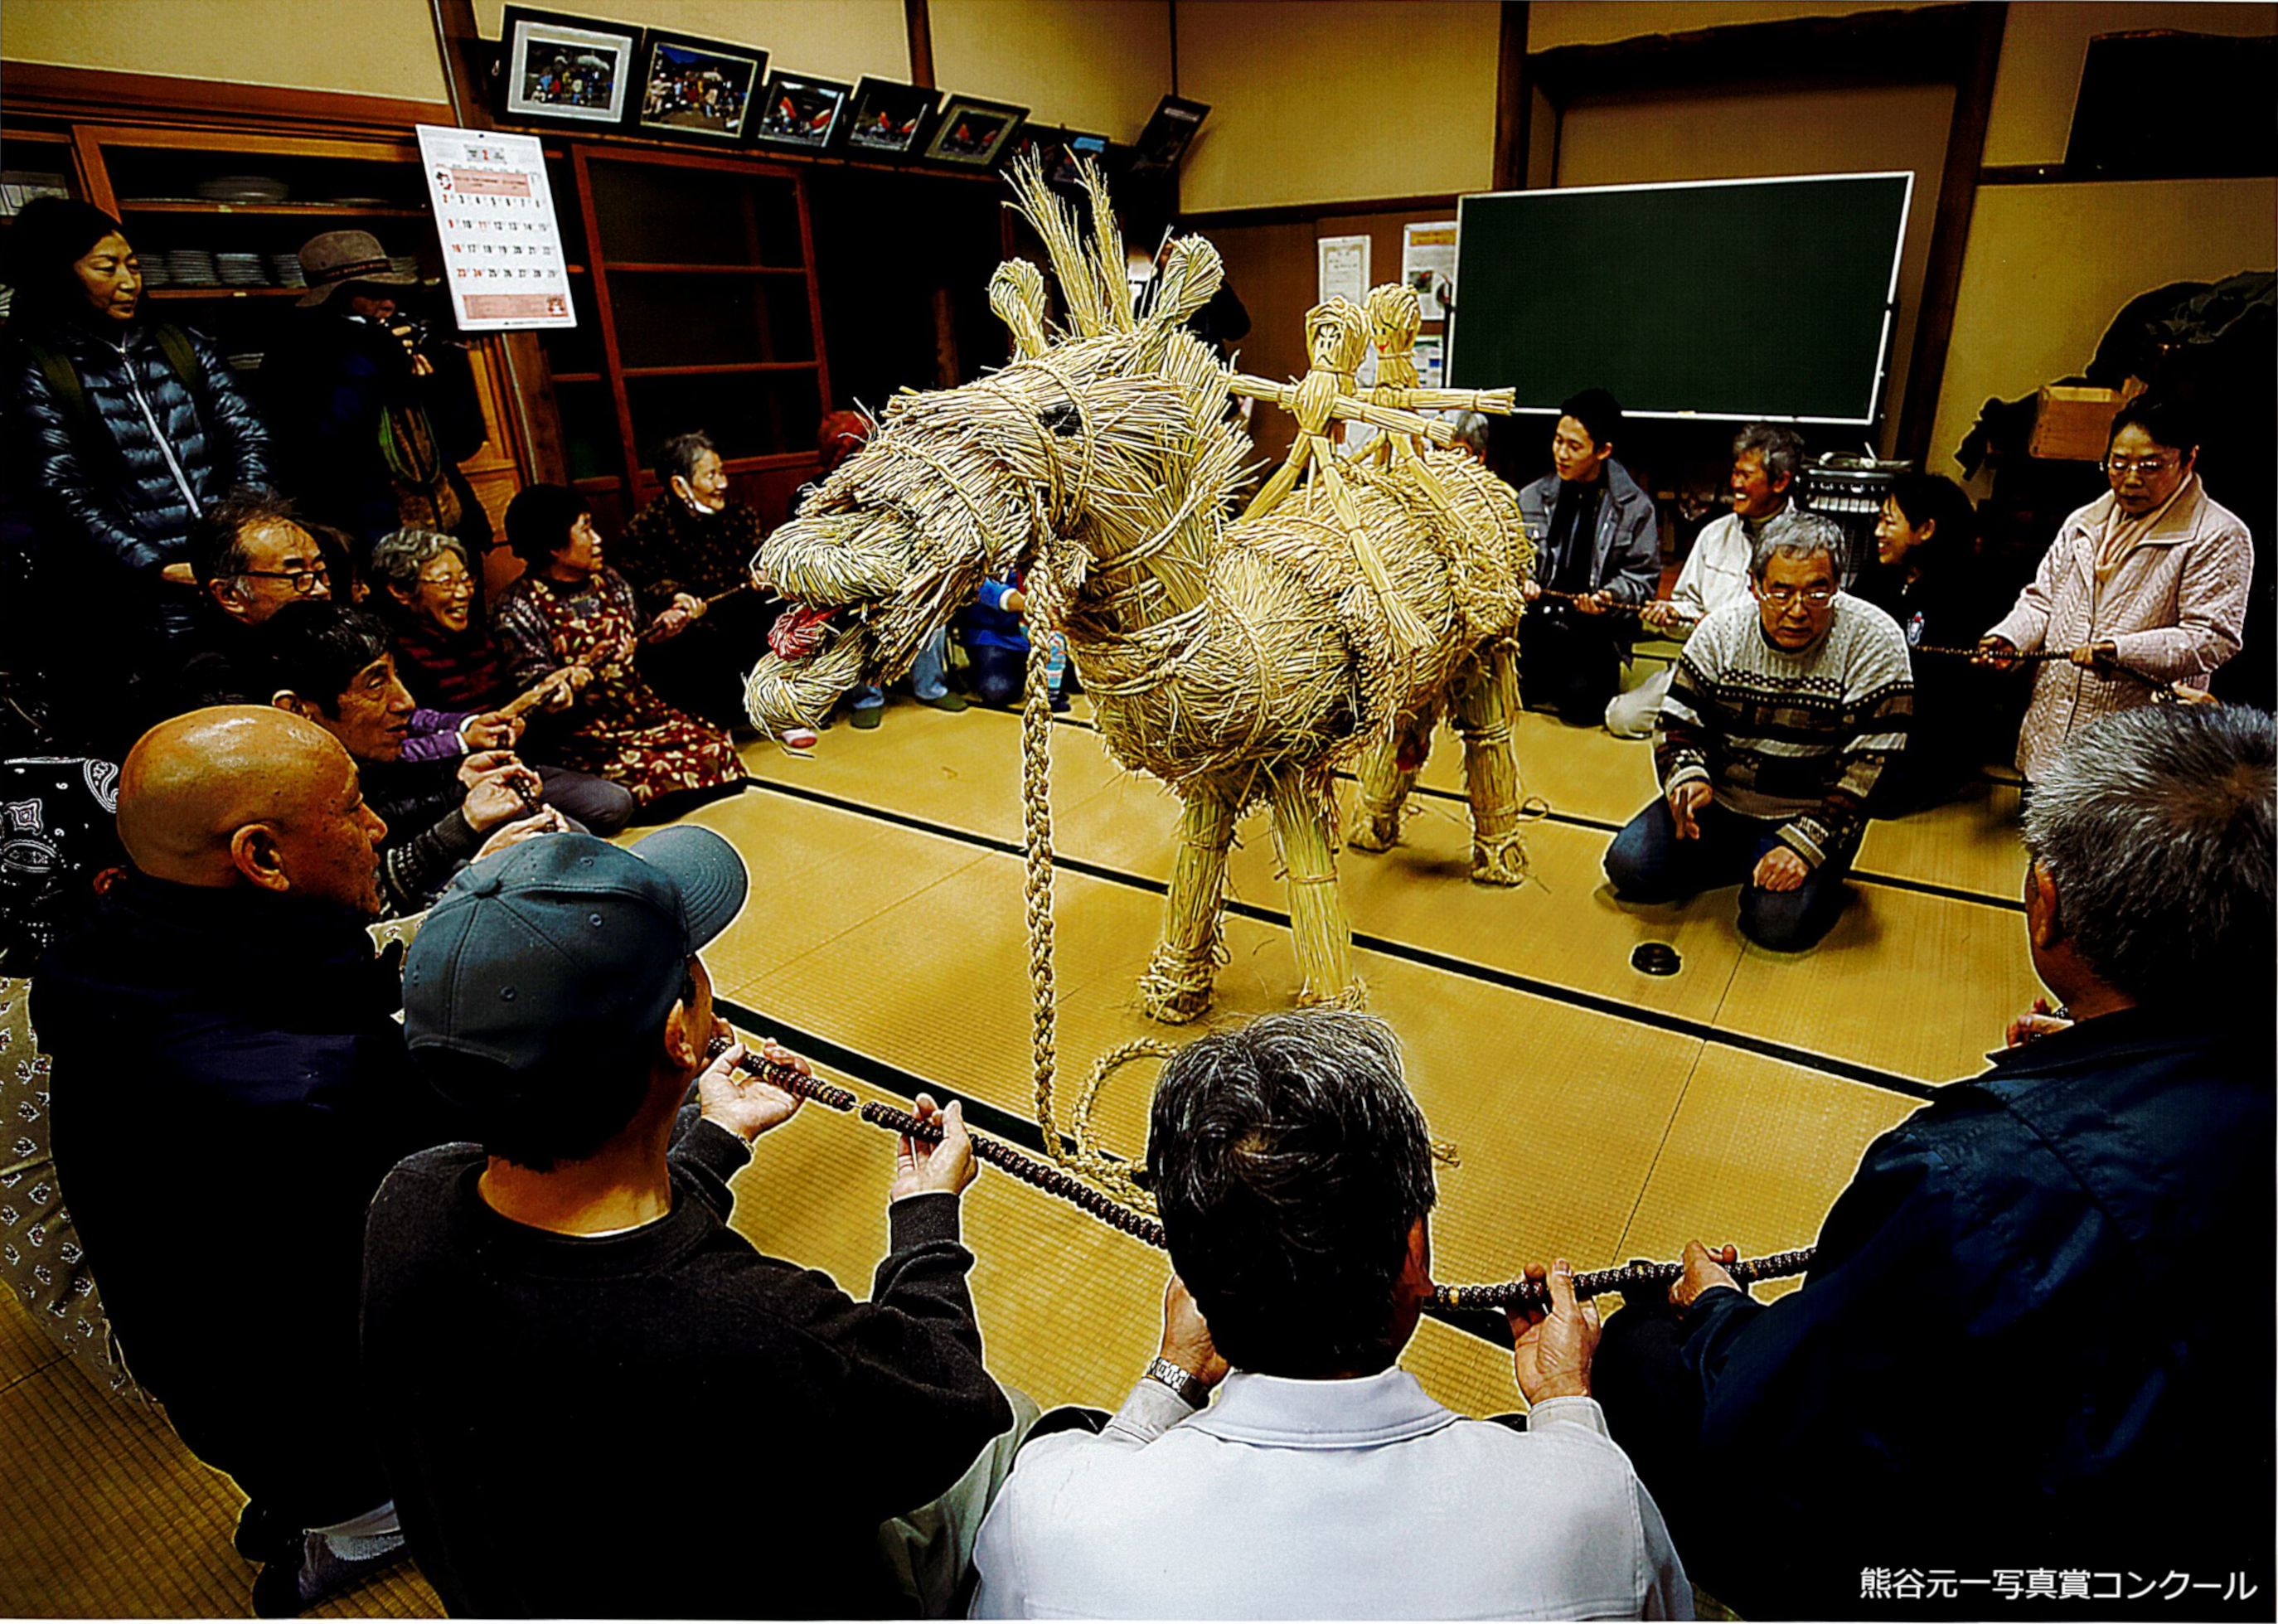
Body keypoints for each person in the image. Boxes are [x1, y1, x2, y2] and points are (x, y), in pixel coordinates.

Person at [1592, 704, 2275, 1619]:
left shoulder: (1968, 1173)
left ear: (2048, 908)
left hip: (1980, 1552)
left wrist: (1713, 1305)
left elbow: (1784, 1409)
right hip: (2198, 1518)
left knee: (1641, 1346)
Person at [363, 828, 1021, 1617]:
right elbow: (951, 1400)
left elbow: (599, 1263)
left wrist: (712, 1138)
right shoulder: (748, 1326)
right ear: (682, 1034)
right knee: (1027, 1433)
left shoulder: (409, 1201)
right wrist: (926, 1220)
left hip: (529, 1577)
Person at [970, 1006, 1687, 1618]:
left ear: (1187, 1274)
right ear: (1415, 1250)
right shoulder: (1592, 1505)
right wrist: (1567, 1410)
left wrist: (1169, 1381)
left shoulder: (1050, 1509)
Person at [32, 708, 471, 1614]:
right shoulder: (297, 1089)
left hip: (218, 1363)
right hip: (309, 1407)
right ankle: (358, 1527)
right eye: (353, 810)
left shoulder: (116, 940)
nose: (379, 827)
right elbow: (470, 1204)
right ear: (262, 859)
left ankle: (319, 1505)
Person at [2, 198, 271, 744]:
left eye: (134, 265)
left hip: (232, 573)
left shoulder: (178, 344)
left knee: (264, 710)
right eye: (106, 267)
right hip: (134, 604)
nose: (128, 281)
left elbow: (247, 433)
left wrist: (241, 526)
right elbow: (59, 488)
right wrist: (156, 566)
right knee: (184, 735)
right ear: (58, 274)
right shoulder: (34, 366)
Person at [1602, 510, 1910, 952]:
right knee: (1629, 868)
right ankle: (1743, 858)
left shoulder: (1875, 640)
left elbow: (1875, 763)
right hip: (1725, 801)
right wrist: (1686, 777)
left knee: (1775, 927)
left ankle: (1789, 865)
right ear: (1755, 585)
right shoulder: (1721, 632)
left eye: (1817, 591)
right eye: (1780, 591)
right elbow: (1676, 724)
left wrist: (1808, 845)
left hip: (1814, 812)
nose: (1797, 610)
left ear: (1838, 585)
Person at [1978, 396, 2252, 781]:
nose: (2131, 479)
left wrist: (2120, 651)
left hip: (2134, 758)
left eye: (2151, 466)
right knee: (2038, 833)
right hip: (2051, 738)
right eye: (2118, 464)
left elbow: (2212, 638)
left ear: (2188, 460)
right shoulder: (2084, 521)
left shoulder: (2218, 534)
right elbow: (2042, 602)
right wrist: (2010, 640)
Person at [258, 601, 561, 913]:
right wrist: (474, 880)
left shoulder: (347, 766)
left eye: (396, 676)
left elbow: (382, 879)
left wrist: (466, 812)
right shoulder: (286, 811)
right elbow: (375, 933)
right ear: (296, 709)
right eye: (376, 685)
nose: (406, 701)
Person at [491, 483, 745, 812]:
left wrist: (662, 629)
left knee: (717, 752)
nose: (597, 539)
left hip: (638, 713)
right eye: (585, 529)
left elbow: (640, 635)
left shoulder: (609, 581)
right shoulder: (516, 607)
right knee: (659, 781)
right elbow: (533, 697)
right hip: (584, 736)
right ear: (554, 546)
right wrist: (578, 675)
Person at [366, 527, 634, 834]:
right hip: (445, 784)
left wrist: (550, 694)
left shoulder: (475, 633)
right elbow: (406, 742)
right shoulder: (393, 656)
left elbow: (508, 708)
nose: (462, 592)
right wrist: (468, 738)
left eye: (465, 579)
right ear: (401, 591)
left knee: (613, 802)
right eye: (446, 582)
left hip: (511, 763)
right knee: (571, 837)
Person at [259, 230, 491, 556]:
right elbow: (321, 445)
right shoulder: (298, 353)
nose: (388, 303)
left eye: (390, 291)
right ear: (337, 295)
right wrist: (374, 368)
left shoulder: (406, 337)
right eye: (371, 292)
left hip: (446, 522)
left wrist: (444, 376)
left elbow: (463, 441)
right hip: (371, 536)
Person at [1607, 423, 1805, 739]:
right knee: (1622, 717)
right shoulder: (1715, 534)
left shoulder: (1808, 546)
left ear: (1780, 482)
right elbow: (1688, 607)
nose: (1735, 483)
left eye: (1746, 475)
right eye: (1735, 472)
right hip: (1703, 669)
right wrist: (1671, 616)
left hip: (1771, 679)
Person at [1854, 471, 2008, 809]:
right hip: (1870, 727)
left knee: (1876, 799)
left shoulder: (1972, 592)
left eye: (1888, 522)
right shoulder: (1876, 578)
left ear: (1925, 530)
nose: (1878, 532)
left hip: (1933, 742)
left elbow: (1958, 700)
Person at [614, 429, 786, 729]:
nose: (722, 484)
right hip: (690, 620)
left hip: (742, 607)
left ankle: (777, 712)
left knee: (779, 611)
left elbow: (761, 553)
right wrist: (674, 596)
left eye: (722, 473)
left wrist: (763, 571)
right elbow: (640, 578)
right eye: (711, 476)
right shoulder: (648, 526)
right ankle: (715, 724)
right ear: (680, 486)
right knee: (688, 644)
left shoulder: (739, 515)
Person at [1515, 388, 1661, 725]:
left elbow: (1643, 578)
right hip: (1539, 622)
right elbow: (1512, 557)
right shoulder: (1533, 497)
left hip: (1596, 632)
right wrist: (1523, 580)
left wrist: (1611, 596)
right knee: (1514, 694)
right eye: (1558, 440)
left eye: (1574, 446)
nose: (1561, 453)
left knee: (1580, 709)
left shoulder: (1634, 508)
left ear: (1603, 450)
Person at [812, 411, 963, 728]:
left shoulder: (894, 485)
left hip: (904, 574)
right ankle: (867, 696)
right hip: (851, 582)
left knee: (930, 601)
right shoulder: (816, 494)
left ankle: (931, 686)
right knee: (854, 616)